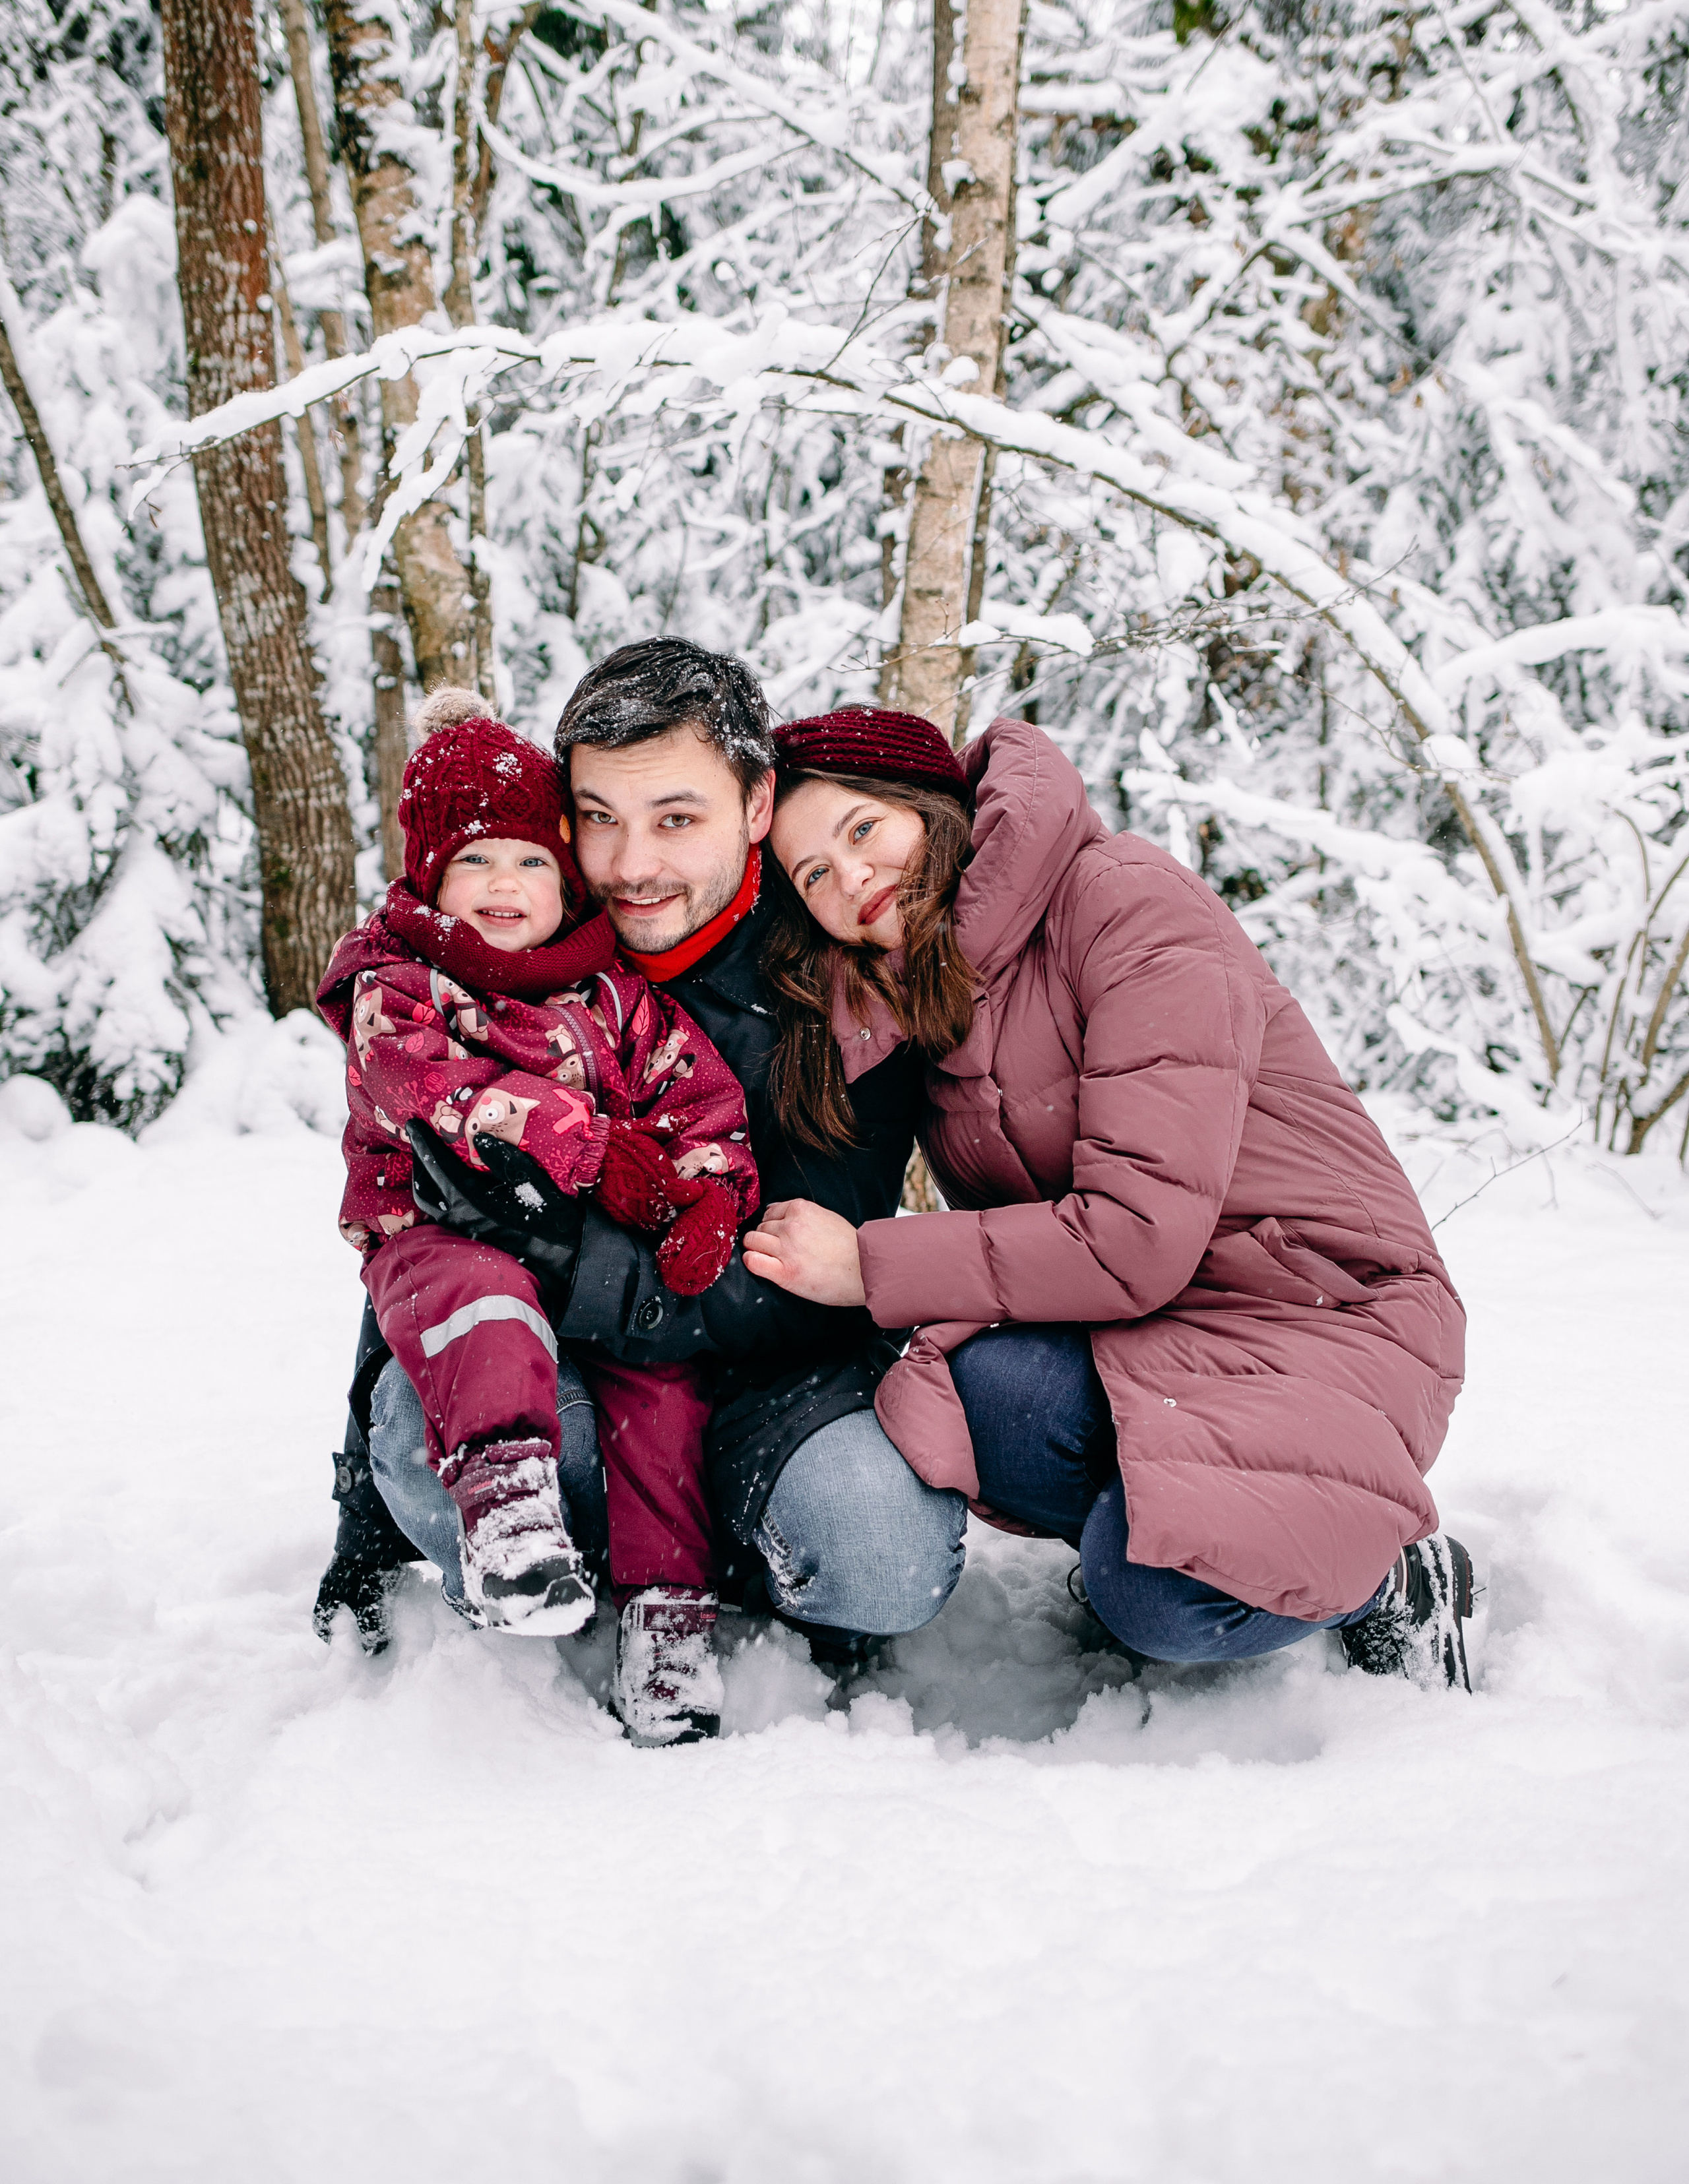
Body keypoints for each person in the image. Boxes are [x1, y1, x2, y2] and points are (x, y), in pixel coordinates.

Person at [747, 704, 1481, 1691]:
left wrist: (869, 1263)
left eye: (863, 830)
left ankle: (1380, 1573)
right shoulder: (923, 992)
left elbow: (1135, 1236)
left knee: (1162, 1605)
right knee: (970, 1399)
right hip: (1152, 1325)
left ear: (934, 804)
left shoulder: (1122, 899)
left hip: (1320, 1304)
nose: (853, 879)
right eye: (814, 876)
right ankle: (1161, 1527)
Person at [313, 645, 967, 1693]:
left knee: (882, 1555)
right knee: (420, 1440)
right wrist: (363, 1523)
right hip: (572, 1377)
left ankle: (724, 1548)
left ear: (757, 807)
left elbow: (809, 1275)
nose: (629, 866)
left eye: (675, 818)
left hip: (768, 1382)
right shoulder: (520, 951)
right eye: (598, 819)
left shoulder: (836, 979)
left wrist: (576, 1257)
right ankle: (574, 1538)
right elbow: (422, 1218)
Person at [317, 688, 760, 1740]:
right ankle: (509, 1512)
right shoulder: (402, 983)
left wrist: (705, 1191)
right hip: (437, 1239)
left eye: (530, 862)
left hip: (594, 1261)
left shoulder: (612, 993)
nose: (507, 887)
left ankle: (668, 1614)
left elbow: (700, 1099)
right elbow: (426, 1088)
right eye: (477, 863)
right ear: (431, 875)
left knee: (661, 1393)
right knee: (488, 1310)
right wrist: (594, 1145)